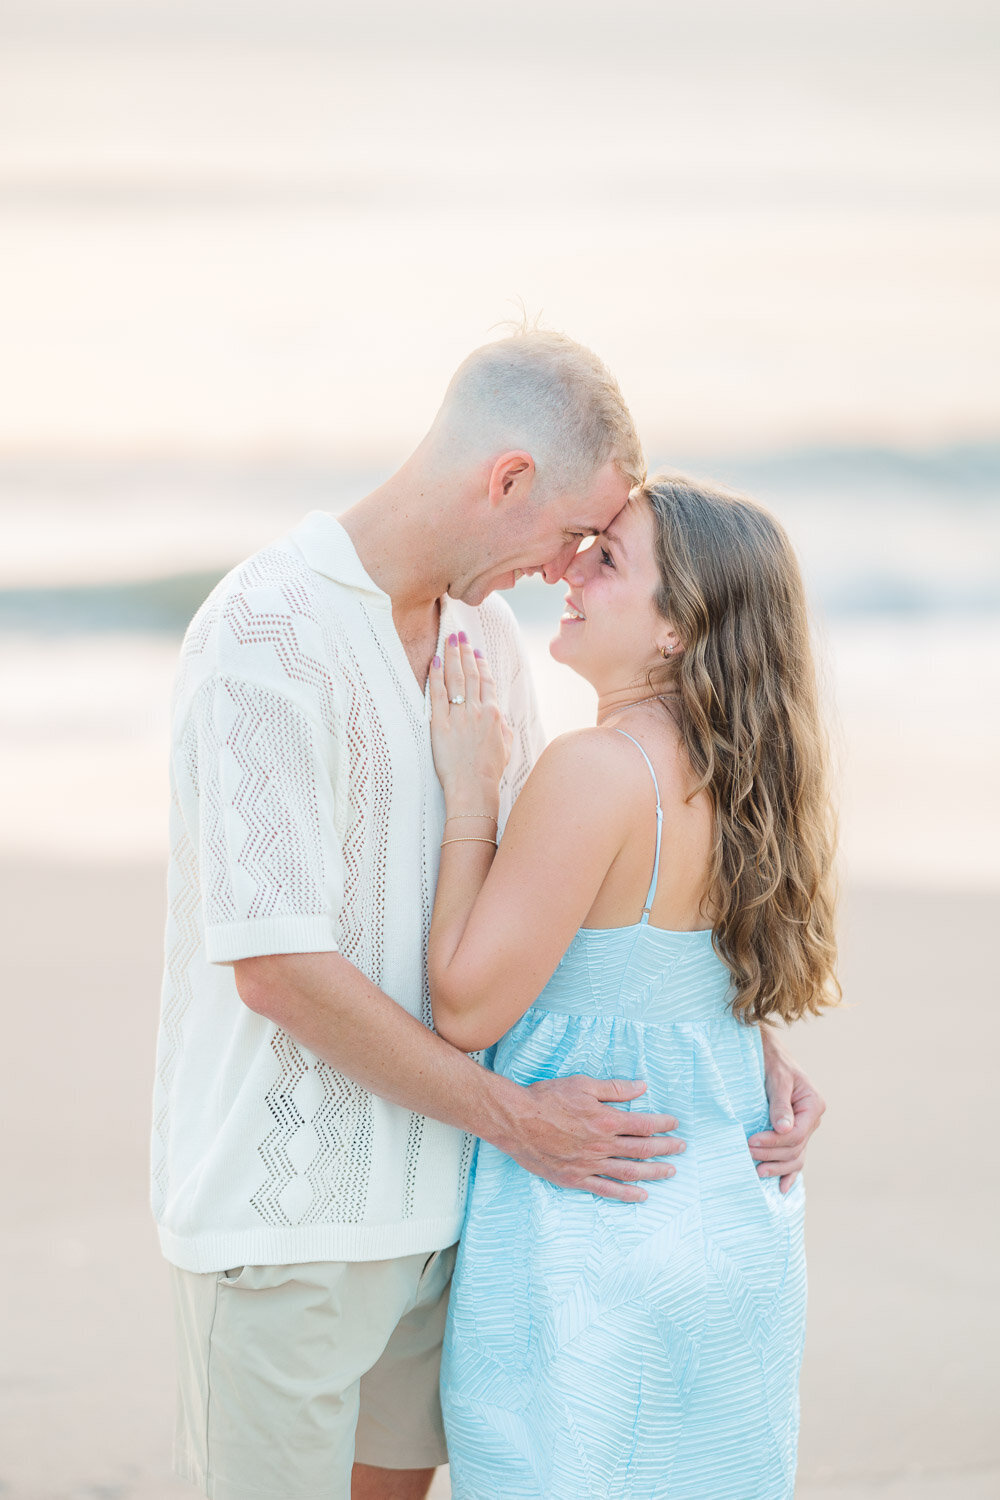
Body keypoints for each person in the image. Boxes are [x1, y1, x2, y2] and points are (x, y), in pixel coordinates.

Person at [152, 331, 825, 1500]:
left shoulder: (486, 640)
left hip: (448, 1214)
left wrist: (737, 1032)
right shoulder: (261, 632)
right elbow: (274, 969)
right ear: (507, 479)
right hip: (290, 1225)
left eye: (599, 555)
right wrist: (515, 1118)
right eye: (575, 534)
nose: (566, 568)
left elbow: (565, 906)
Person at [428, 471, 840, 1499]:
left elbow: (465, 1007)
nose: (569, 568)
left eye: (606, 560)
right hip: (730, 1232)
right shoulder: (751, 781)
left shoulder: (597, 770)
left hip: (590, 1239)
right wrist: (771, 1062)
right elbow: (687, 990)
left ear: (675, 631)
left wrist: (471, 797)